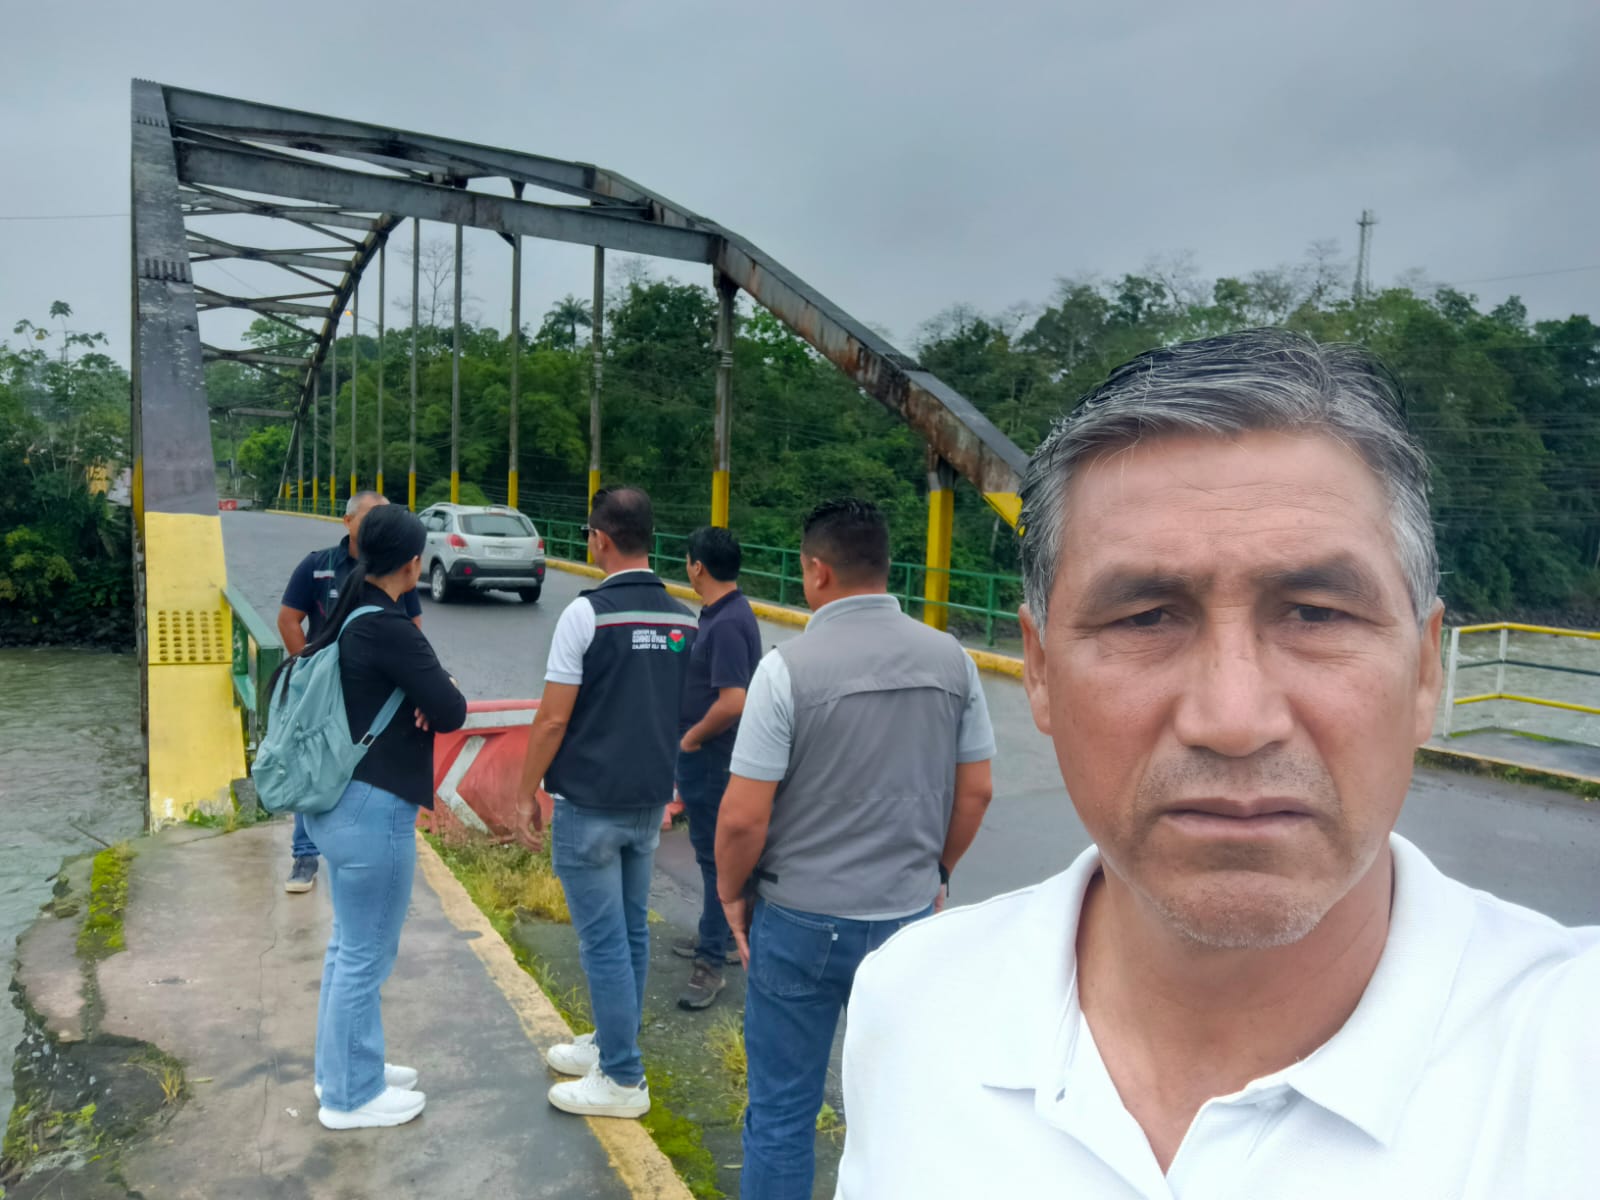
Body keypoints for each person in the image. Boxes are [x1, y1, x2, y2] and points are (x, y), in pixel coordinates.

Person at [834, 329, 1600, 1197]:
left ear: (1426, 671)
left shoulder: (1571, 1055)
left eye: (1315, 613)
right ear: (1039, 671)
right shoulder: (913, 1000)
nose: (1234, 721)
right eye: (1145, 618)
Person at [715, 498, 996, 1200]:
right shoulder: (953, 660)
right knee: (898, 1110)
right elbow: (977, 792)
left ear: (816, 571)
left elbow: (743, 818)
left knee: (783, 1113)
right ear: (885, 564)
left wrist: (729, 893)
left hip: (799, 919)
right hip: (907, 918)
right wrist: (938, 870)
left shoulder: (786, 669)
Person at [275, 503, 466, 1130]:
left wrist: (421, 692)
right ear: (412, 564)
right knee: (366, 956)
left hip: (337, 807)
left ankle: (342, 1069)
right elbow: (452, 708)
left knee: (346, 949)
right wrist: (429, 691)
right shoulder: (390, 627)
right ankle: (351, 1096)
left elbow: (419, 695)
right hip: (372, 810)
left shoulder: (349, 614)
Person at [517, 487, 698, 1120]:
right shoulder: (684, 619)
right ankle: (611, 1041)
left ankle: (621, 1076)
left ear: (599, 539)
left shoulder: (585, 615)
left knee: (602, 941)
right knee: (629, 931)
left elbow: (551, 720)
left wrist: (524, 791)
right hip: (649, 801)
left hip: (589, 802)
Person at [277, 491, 423, 894]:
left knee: (363, 763)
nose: (380, 524)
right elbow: (289, 620)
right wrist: (309, 671)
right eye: (372, 517)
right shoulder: (318, 567)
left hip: (372, 692)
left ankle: (356, 842)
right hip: (324, 693)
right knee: (312, 763)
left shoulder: (396, 568)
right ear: (347, 521)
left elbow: (413, 627)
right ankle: (305, 854)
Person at [672, 526, 762, 1010]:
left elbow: (733, 701)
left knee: (714, 859)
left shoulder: (726, 622)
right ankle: (719, 934)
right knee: (712, 855)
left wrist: (691, 738)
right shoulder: (723, 613)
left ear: (698, 567)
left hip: (712, 756)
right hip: (711, 754)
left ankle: (711, 962)